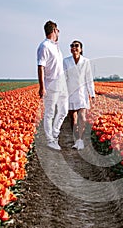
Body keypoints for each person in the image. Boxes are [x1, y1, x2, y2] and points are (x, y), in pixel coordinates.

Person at [37, 20, 68, 150]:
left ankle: (55, 134)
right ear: (54, 31)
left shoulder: (55, 46)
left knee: (64, 110)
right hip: (51, 84)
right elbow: (40, 66)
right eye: (58, 30)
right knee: (50, 113)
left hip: (61, 84)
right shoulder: (44, 46)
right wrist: (42, 87)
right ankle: (50, 140)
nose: (59, 32)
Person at [63, 40, 95, 150]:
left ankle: (80, 140)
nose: (74, 47)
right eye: (72, 46)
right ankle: (76, 140)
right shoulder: (66, 62)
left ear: (81, 49)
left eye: (77, 46)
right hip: (70, 92)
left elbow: (89, 79)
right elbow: (64, 78)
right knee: (73, 117)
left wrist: (92, 94)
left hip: (82, 92)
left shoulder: (86, 62)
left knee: (82, 116)